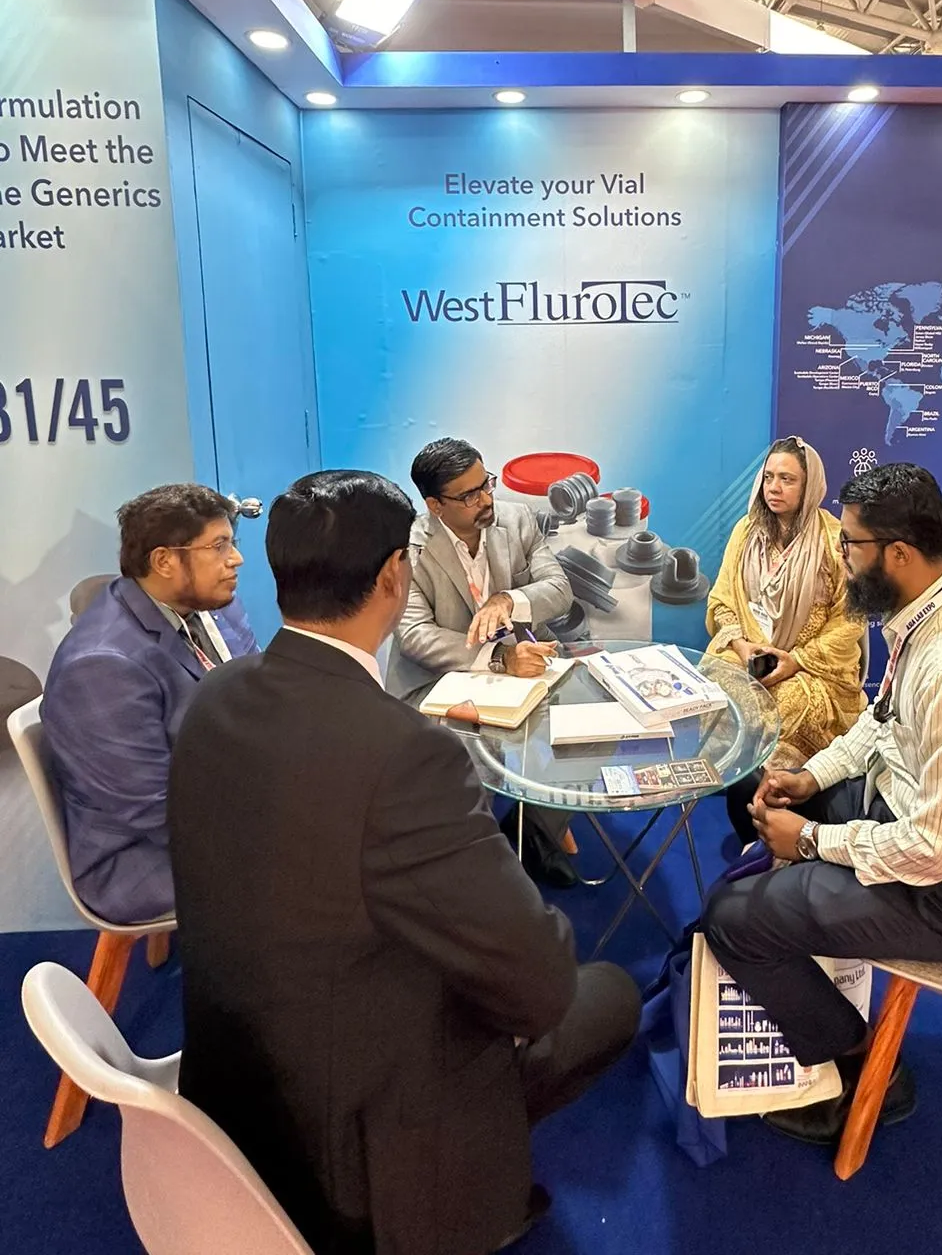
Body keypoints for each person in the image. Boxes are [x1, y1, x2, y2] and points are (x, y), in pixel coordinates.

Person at [169, 470, 640, 1255]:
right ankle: (475, 1191)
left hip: (230, 1087)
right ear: (396, 574)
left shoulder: (213, 698)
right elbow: (539, 986)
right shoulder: (406, 754)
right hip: (355, 1156)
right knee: (608, 995)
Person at [701, 462, 942, 1146]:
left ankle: (867, 1068)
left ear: (897, 553)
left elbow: (934, 850)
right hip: (918, 828)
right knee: (760, 789)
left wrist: (810, 841)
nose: (839, 555)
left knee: (731, 920)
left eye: (850, 544)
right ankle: (806, 925)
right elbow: (880, 722)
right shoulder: (932, 610)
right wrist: (810, 778)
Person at [39, 484, 256, 925]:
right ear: (164, 561)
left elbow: (258, 697)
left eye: (231, 543)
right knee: (329, 866)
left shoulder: (212, 607)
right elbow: (155, 811)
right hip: (139, 857)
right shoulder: (101, 665)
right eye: (218, 546)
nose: (235, 559)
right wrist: (282, 820)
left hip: (221, 797)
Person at [387, 437, 576, 885]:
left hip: (525, 662)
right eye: (469, 496)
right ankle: (475, 864)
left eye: (486, 484)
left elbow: (559, 589)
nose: (486, 500)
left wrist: (508, 599)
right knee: (468, 747)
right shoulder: (408, 548)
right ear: (435, 505)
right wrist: (499, 658)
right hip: (439, 680)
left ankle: (535, 831)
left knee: (579, 721)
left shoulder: (516, 518)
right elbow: (415, 635)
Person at [707, 437, 865, 844]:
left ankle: (777, 824)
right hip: (747, 656)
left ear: (809, 487)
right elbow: (722, 601)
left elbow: (850, 622)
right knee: (711, 692)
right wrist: (742, 647)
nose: (774, 488)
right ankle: (747, 814)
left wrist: (795, 660)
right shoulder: (745, 532)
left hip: (811, 669)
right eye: (769, 478)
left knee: (790, 705)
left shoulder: (835, 541)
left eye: (787, 479)